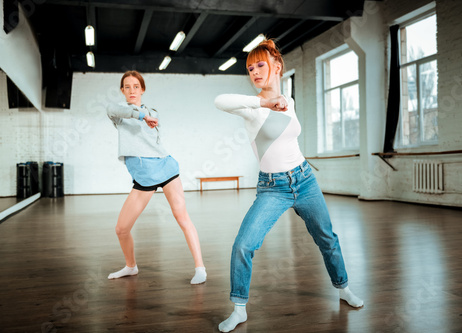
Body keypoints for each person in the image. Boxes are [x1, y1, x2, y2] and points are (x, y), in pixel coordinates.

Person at [214, 39, 363, 332]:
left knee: (327, 238)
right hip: (273, 187)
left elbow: (287, 137)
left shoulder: (290, 101)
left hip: (304, 179)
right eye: (250, 68)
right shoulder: (252, 108)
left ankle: (343, 287)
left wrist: (276, 102)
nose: (255, 72)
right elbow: (220, 101)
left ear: (277, 67)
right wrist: (263, 101)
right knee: (243, 245)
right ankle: (239, 308)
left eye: (260, 65)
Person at [106, 70, 206, 285]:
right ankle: (130, 266)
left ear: (142, 89)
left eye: (136, 86)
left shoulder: (153, 111)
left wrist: (147, 115)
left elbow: (153, 133)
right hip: (144, 176)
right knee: (121, 229)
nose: (132, 90)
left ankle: (200, 268)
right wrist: (141, 116)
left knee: (182, 217)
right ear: (122, 91)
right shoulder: (121, 114)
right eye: (127, 86)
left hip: (166, 168)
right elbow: (112, 109)